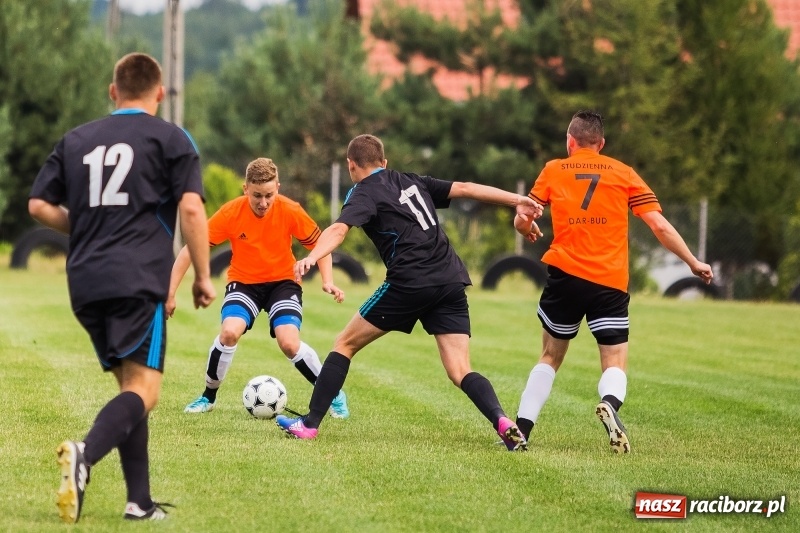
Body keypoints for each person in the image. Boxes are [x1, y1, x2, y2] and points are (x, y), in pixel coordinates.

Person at [28, 52, 216, 523]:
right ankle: (84, 456)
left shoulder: (77, 139)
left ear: (113, 92)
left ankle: (139, 502)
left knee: (131, 388)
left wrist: (85, 224)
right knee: (145, 391)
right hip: (137, 278)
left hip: (86, 280)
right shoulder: (172, 138)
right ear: (160, 93)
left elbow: (37, 206)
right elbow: (192, 210)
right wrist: (204, 276)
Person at [275, 133, 543, 451]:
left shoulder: (362, 192)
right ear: (384, 163)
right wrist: (518, 200)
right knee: (460, 369)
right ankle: (501, 420)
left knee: (344, 344)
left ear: (351, 166)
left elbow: (338, 229)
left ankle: (309, 424)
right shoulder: (412, 180)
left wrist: (311, 256)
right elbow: (468, 189)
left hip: (410, 282)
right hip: (450, 279)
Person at [512, 110, 714, 454]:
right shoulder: (624, 173)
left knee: (549, 355)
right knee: (615, 360)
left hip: (565, 276)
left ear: (569, 141)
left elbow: (522, 217)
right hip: (609, 280)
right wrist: (693, 262)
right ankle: (609, 403)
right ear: (601, 144)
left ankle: (522, 430)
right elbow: (659, 226)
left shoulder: (553, 169)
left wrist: (528, 228)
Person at [167, 157, 350, 419]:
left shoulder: (290, 209)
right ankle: (207, 397)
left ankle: (332, 394)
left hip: (283, 283)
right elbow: (189, 250)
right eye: (256, 196)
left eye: (269, 195)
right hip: (244, 284)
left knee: (289, 343)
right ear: (245, 189)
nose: (263, 203)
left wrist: (327, 281)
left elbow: (321, 246)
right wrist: (170, 293)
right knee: (229, 332)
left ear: (278, 187)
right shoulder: (231, 213)